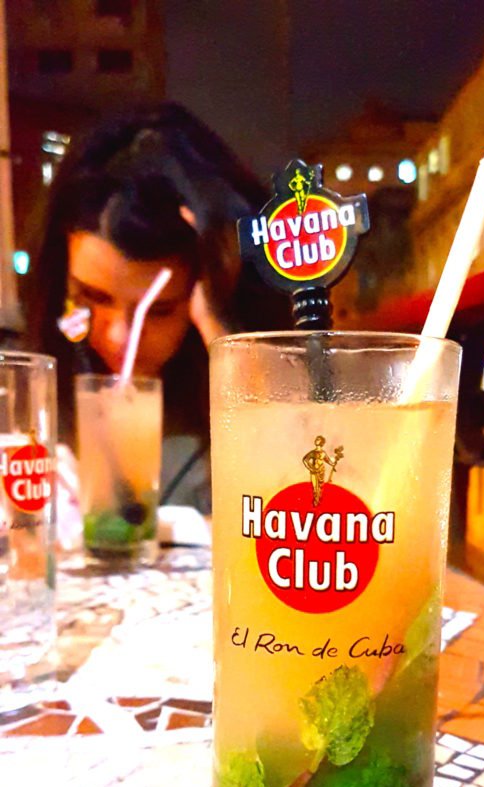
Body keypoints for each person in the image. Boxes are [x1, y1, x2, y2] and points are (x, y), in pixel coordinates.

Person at [28, 102, 290, 514]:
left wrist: (220, 326)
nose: (119, 336)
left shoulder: (259, 388)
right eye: (92, 296)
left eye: (159, 310)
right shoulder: (35, 386)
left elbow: (295, 492)